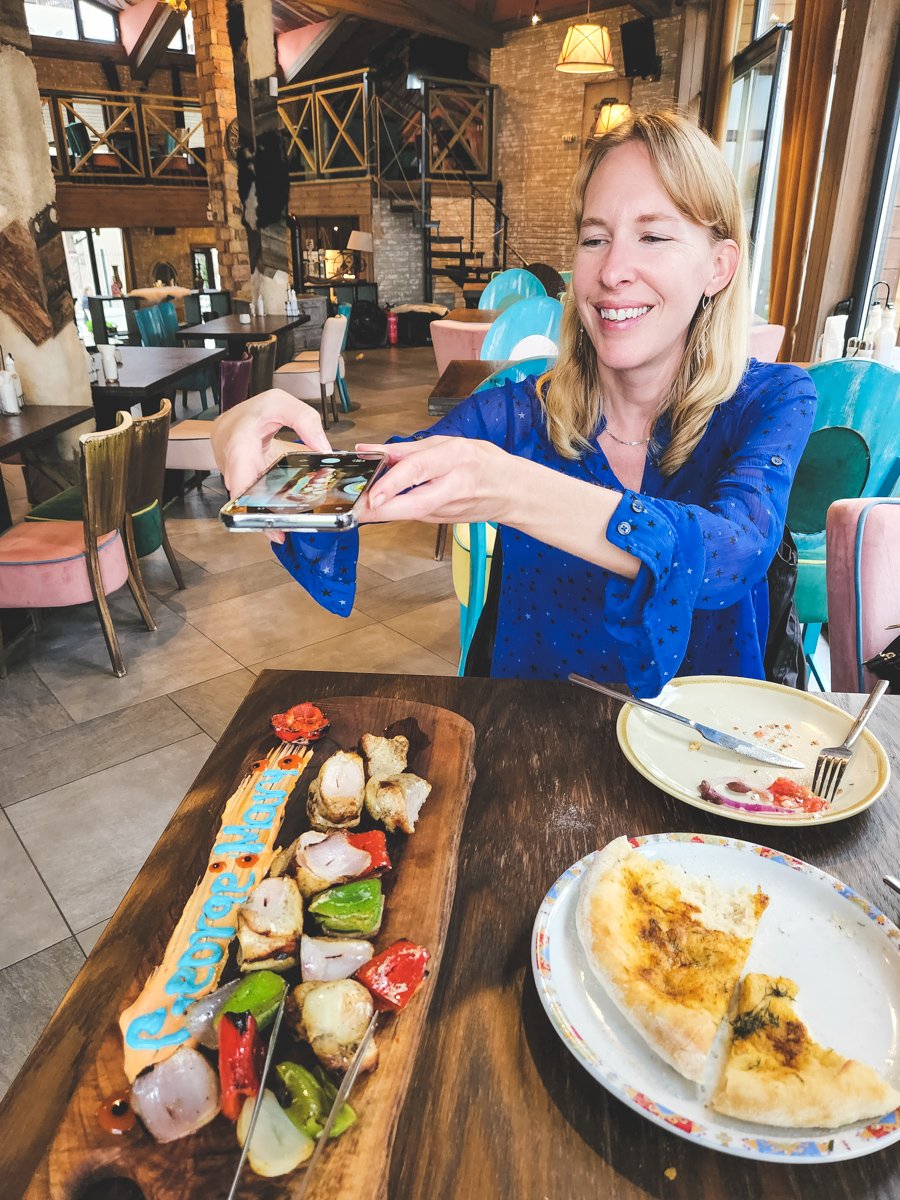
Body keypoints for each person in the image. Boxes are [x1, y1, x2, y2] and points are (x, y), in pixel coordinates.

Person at [212, 110, 816, 697]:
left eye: (653, 236)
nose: (612, 270)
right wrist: (257, 455)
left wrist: (510, 488)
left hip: (707, 762)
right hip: (535, 748)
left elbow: (733, 552)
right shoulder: (518, 413)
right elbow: (377, 480)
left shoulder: (773, 398)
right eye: (594, 238)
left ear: (718, 266)